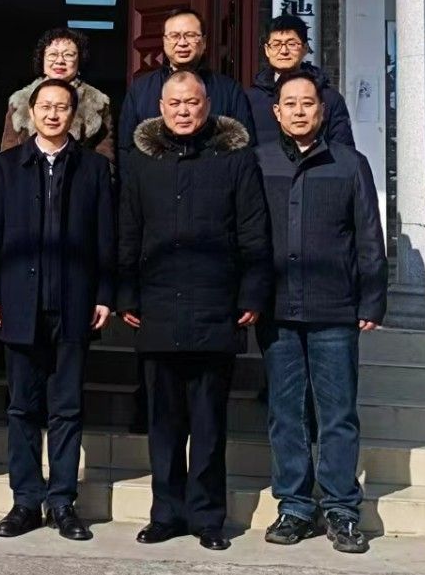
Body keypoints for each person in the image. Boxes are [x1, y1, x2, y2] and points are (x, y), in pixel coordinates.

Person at [118, 70, 269, 551]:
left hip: (214, 305)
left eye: (192, 102)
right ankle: (165, 513)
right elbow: (128, 231)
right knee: (163, 423)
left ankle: (207, 517)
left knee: (208, 423)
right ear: (161, 107)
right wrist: (126, 293)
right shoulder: (141, 162)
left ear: (207, 105)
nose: (184, 111)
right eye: (175, 103)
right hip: (157, 305)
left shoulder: (235, 159)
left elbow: (253, 230)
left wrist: (251, 293)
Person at [0, 78, 116, 542]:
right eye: (45, 106)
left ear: (74, 115)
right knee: (22, 407)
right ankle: (25, 501)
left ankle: (62, 501)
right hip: (20, 304)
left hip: (73, 304)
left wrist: (104, 294)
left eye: (62, 107)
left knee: (67, 408)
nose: (53, 114)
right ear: (30, 112)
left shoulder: (93, 168)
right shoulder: (7, 165)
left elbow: (105, 237)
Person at [256, 70, 386, 556]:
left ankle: (341, 509)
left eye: (307, 103)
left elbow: (369, 237)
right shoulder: (258, 162)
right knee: (286, 413)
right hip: (277, 310)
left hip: (335, 309)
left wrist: (372, 299)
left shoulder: (350, 164)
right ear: (276, 112)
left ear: (322, 109)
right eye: (289, 103)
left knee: (337, 414)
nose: (298, 111)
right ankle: (294, 505)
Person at [117, 8, 256, 166]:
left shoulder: (229, 90)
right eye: (174, 36)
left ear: (204, 42)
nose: (182, 43)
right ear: (164, 41)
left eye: (190, 35)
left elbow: (245, 148)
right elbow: (126, 149)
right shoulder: (140, 90)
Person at [0, 27, 116, 165]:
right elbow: (8, 155)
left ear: (79, 61)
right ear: (42, 60)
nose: (60, 61)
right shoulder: (20, 101)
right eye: (53, 54)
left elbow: (105, 159)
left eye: (68, 55)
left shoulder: (98, 103)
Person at [246, 14, 354, 149]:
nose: (284, 51)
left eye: (292, 44)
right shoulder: (249, 99)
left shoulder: (329, 98)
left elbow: (344, 151)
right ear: (267, 50)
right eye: (276, 44)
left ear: (305, 48)